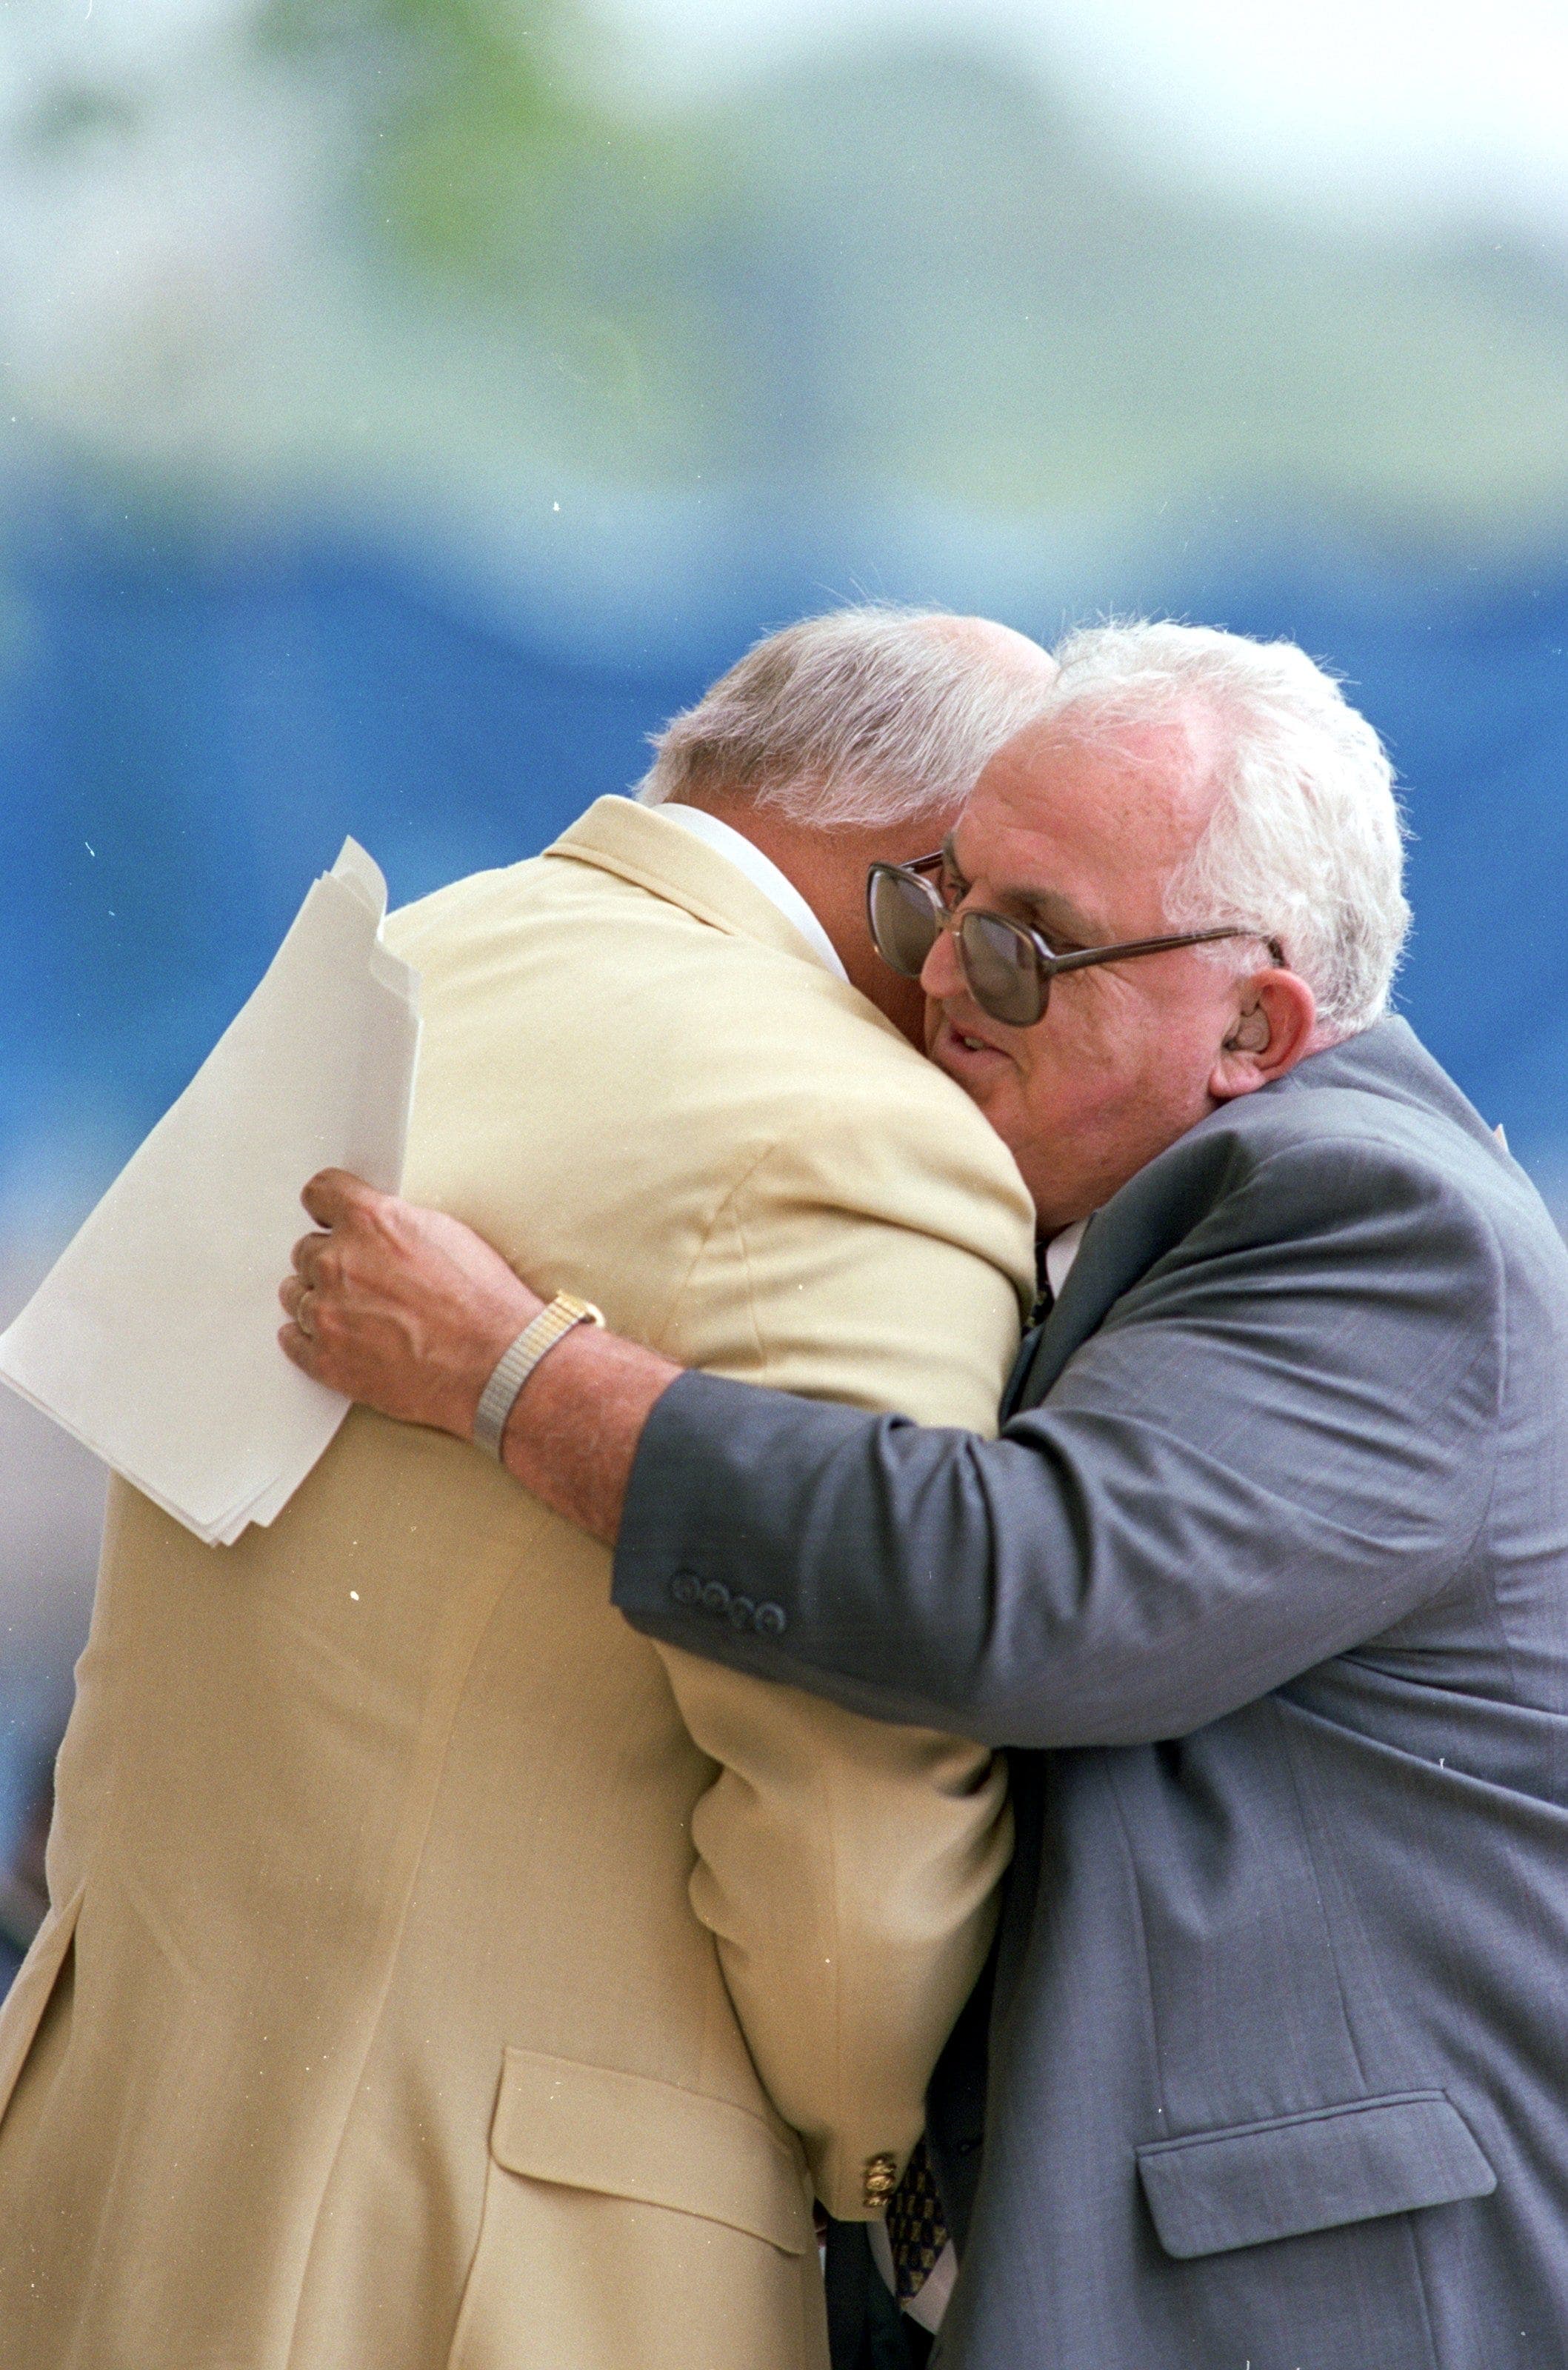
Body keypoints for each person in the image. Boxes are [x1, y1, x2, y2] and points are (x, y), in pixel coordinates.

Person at [284, 620, 1568, 2370]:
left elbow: (1021, 1588)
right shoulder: (1224, 1189)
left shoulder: (1377, 1223)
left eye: (1033, 945)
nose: (944, 981)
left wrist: (514, 1377)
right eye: (940, 899)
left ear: (1255, 1022)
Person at [0, 605, 1059, 2370]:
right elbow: (855, 1846)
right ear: (925, 878)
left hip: (110, 2186)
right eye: (1022, 920)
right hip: (506, 2268)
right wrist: (882, 2149)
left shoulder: (406, 951)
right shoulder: (874, 1134)